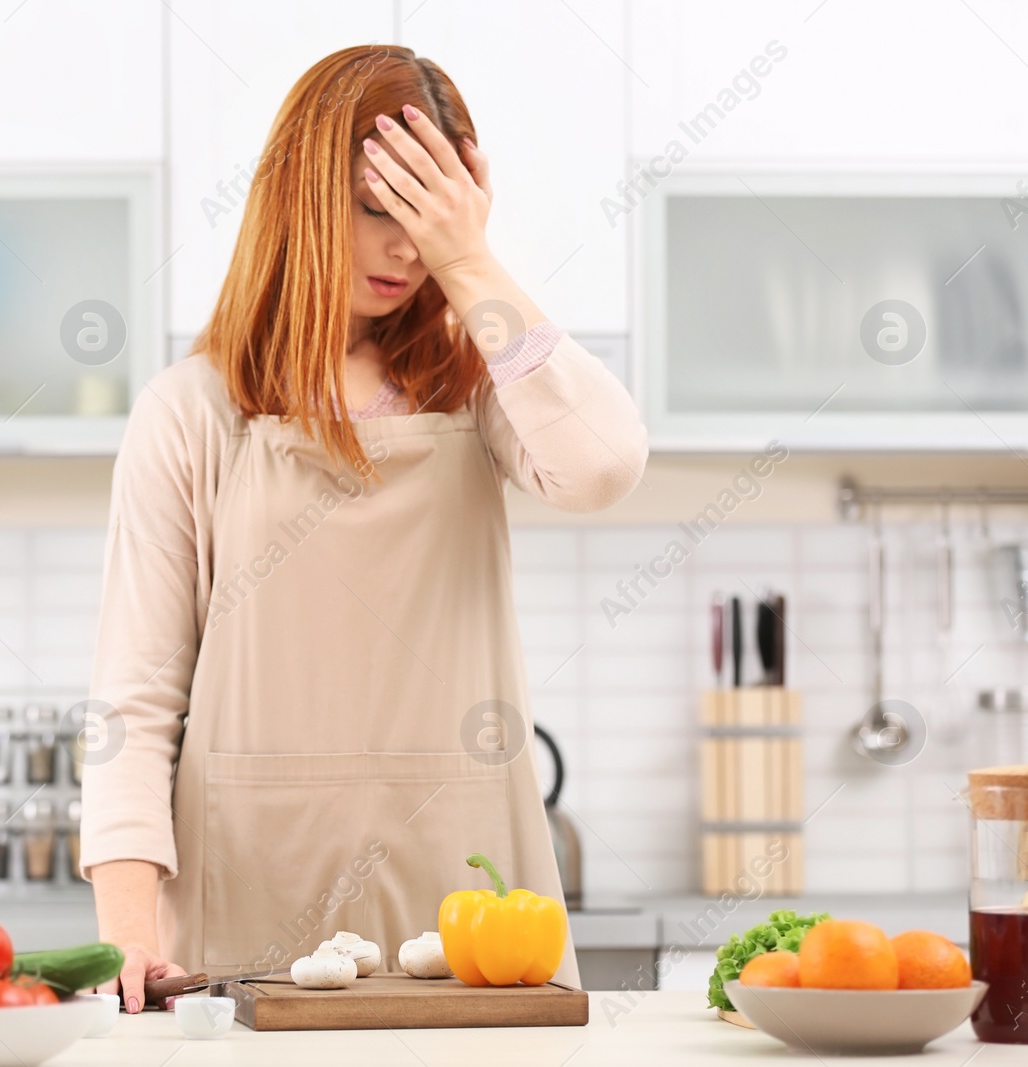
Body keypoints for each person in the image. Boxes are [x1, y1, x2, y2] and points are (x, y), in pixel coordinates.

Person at [82, 44, 648, 1014]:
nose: (403, 248)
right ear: (299, 196)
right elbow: (131, 705)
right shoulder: (192, 411)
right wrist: (130, 936)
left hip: (470, 897)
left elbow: (601, 465)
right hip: (239, 897)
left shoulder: (480, 390)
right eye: (375, 207)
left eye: (427, 216)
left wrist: (470, 264)